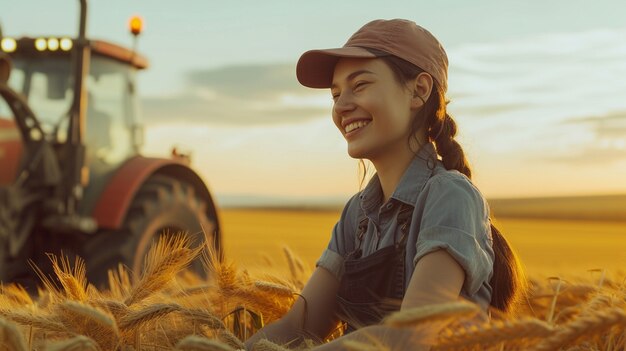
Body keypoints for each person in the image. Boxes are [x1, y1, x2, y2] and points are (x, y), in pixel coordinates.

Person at [245, 19, 525, 350]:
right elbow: (297, 326)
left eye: (359, 85)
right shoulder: (357, 214)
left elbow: (409, 337)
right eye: (335, 94)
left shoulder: (450, 196)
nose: (341, 105)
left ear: (419, 90)